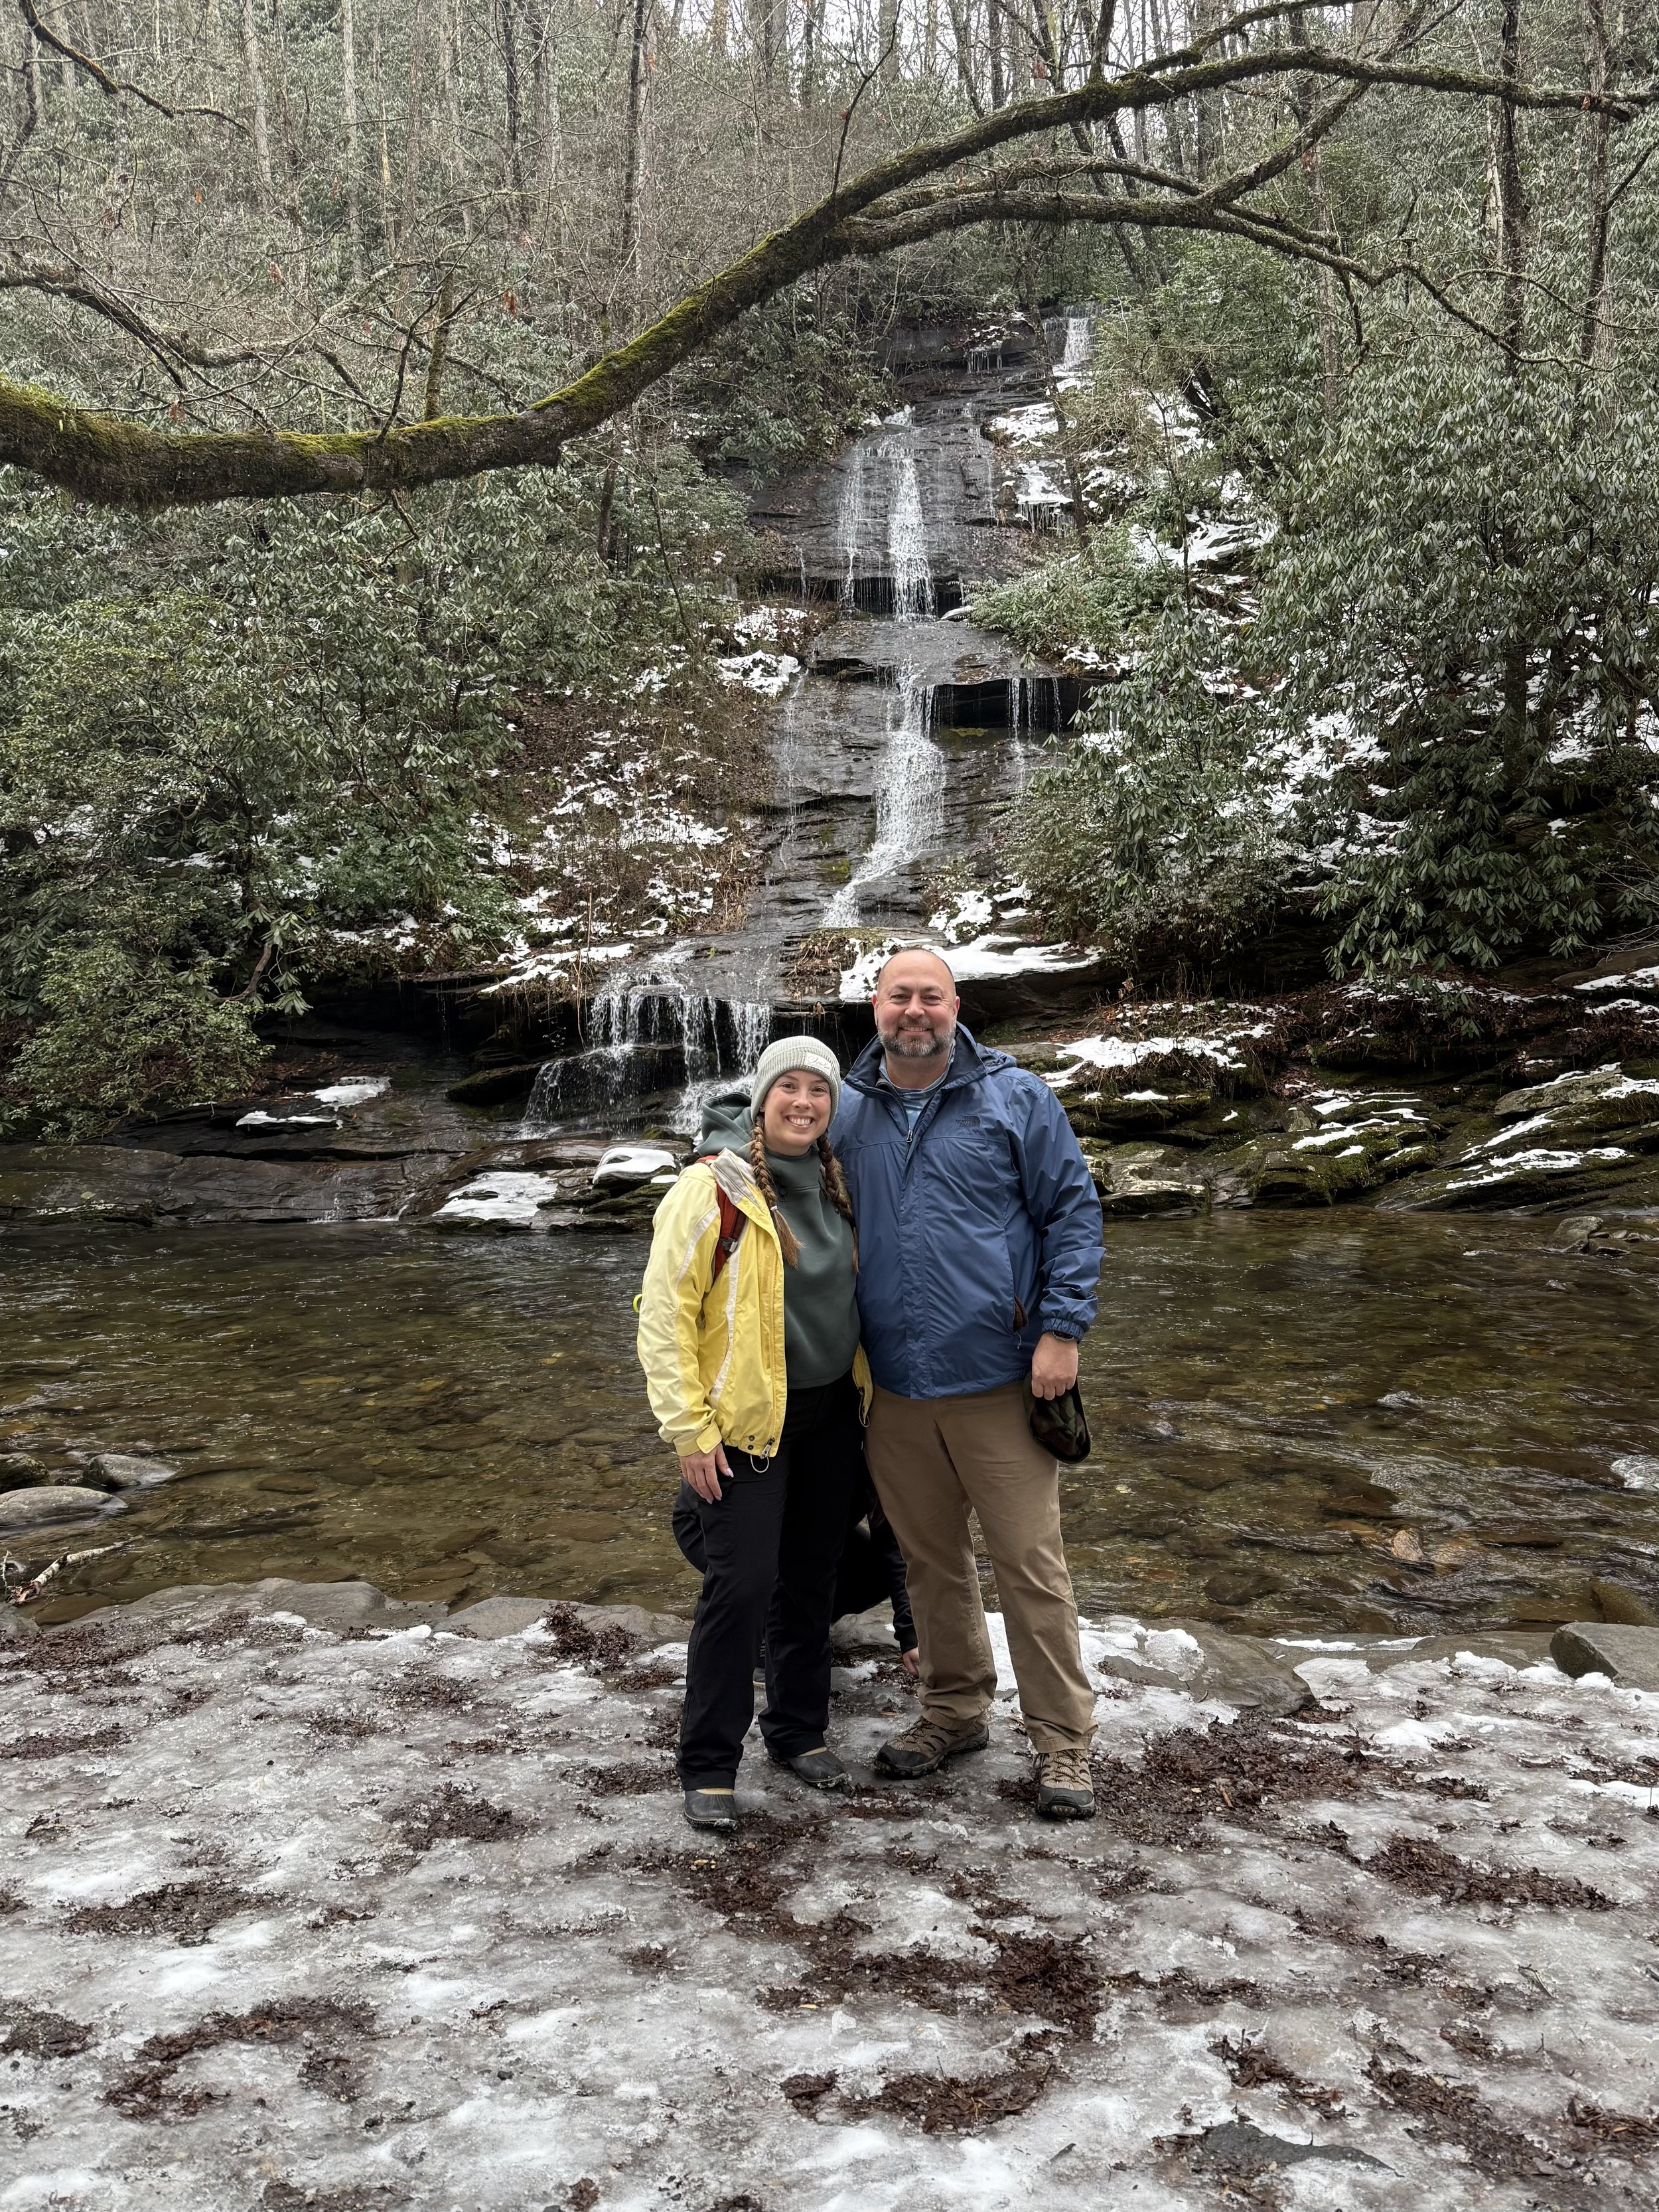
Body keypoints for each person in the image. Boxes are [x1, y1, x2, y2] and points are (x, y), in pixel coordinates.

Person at [829, 945, 1104, 1820]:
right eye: (899, 996)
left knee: (1030, 1564)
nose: (916, 1010)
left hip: (1000, 1379)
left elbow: (1072, 1208)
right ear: (876, 1006)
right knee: (931, 1564)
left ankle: (1063, 1743)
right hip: (898, 1391)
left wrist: (1062, 1327)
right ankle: (954, 1711)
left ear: (957, 1004)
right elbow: (773, 1158)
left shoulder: (1015, 1096)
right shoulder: (846, 1108)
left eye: (931, 996)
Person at [637, 1035, 871, 1832]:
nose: (803, 1102)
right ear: (762, 1097)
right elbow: (664, 1317)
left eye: (819, 1091)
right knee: (737, 1591)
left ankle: (799, 1735)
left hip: (834, 1415)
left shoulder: (840, 1186)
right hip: (743, 1426)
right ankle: (707, 1763)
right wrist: (687, 1431)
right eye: (789, 1087)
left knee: (811, 1580)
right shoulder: (712, 1189)